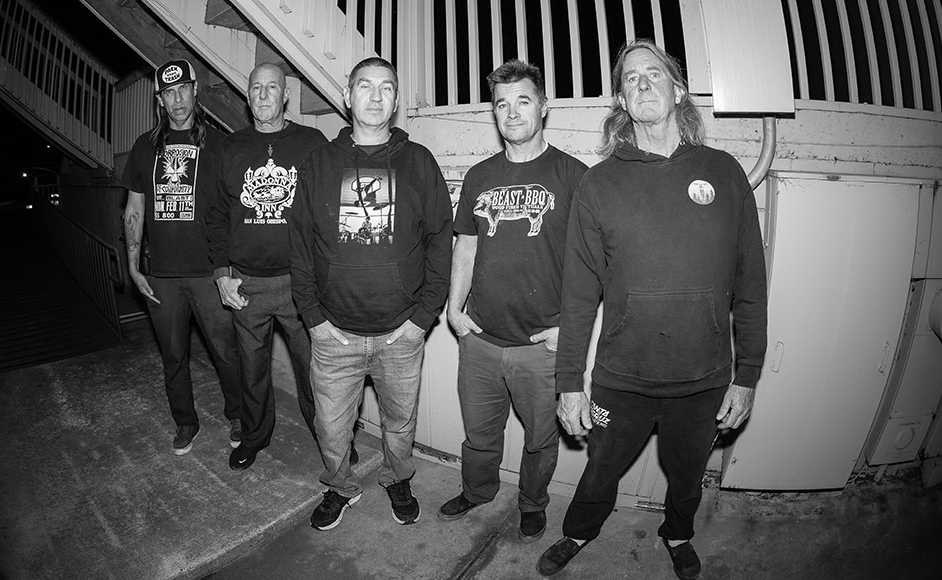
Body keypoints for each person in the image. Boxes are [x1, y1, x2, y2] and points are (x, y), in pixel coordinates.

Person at [535, 40, 768, 579]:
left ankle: (679, 534)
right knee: (601, 469)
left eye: (654, 74)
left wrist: (748, 374)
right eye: (630, 78)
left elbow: (751, 284)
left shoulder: (725, 173)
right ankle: (578, 531)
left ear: (677, 90)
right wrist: (569, 382)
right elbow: (577, 295)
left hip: (704, 379)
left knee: (687, 475)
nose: (642, 82)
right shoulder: (599, 184)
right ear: (621, 99)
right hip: (622, 378)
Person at [289, 57, 452, 531]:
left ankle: (397, 478)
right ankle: (340, 487)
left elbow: (442, 239)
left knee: (400, 425)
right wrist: (314, 319)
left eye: (386, 87)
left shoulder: (418, 162)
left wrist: (422, 318)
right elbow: (299, 244)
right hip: (333, 335)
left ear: (397, 100)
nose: (376, 96)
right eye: (365, 86)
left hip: (400, 336)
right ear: (347, 96)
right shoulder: (319, 163)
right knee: (332, 428)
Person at [437, 60, 587, 544]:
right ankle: (478, 492)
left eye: (523, 100)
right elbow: (466, 243)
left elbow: (599, 263)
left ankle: (532, 502)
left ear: (543, 107)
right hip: (480, 341)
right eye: (502, 103)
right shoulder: (480, 176)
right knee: (479, 435)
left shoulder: (575, 176)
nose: (512, 111)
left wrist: (573, 328)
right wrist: (453, 309)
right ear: (494, 114)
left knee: (541, 441)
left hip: (541, 350)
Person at [206, 63, 328, 471]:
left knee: (314, 371)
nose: (262, 95)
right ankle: (254, 437)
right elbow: (217, 215)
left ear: (285, 96)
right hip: (246, 284)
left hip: (300, 283)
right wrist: (222, 274)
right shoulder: (229, 147)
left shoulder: (312, 142)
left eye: (271, 87)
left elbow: (327, 212)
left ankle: (331, 438)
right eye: (255, 88)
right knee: (252, 371)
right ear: (247, 96)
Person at [121, 59, 241, 455]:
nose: (177, 100)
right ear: (160, 99)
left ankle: (238, 414)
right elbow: (134, 210)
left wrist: (231, 266)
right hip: (164, 277)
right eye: (168, 93)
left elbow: (234, 209)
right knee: (173, 356)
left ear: (195, 90)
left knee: (226, 352)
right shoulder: (145, 147)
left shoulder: (220, 145)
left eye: (182, 90)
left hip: (210, 273)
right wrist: (133, 265)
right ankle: (185, 422)